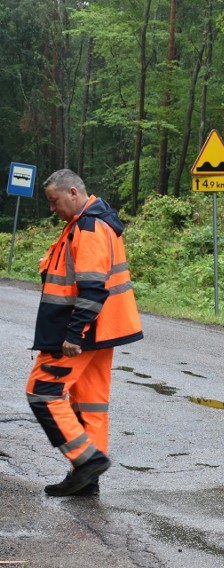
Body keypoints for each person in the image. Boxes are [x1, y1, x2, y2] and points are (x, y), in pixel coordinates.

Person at [25, 169, 143, 496]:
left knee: (42, 392)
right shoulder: (91, 222)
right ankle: (87, 479)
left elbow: (93, 289)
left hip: (79, 334)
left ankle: (86, 461)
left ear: (73, 193)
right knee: (90, 404)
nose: (53, 208)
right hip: (101, 332)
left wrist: (74, 335)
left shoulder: (89, 227)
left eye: (54, 201)